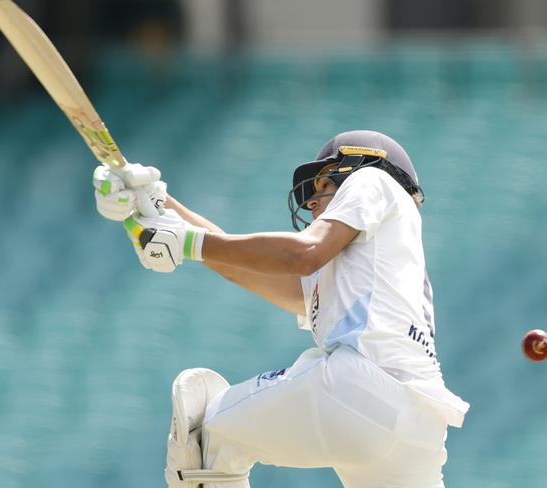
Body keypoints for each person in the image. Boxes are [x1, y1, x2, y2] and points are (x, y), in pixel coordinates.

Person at [93, 130, 470, 488]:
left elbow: (300, 254)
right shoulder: (369, 265)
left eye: (324, 184)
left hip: (362, 387)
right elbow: (238, 264)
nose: (311, 201)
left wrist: (190, 243)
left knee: (206, 437)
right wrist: (158, 206)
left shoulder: (374, 181)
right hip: (421, 425)